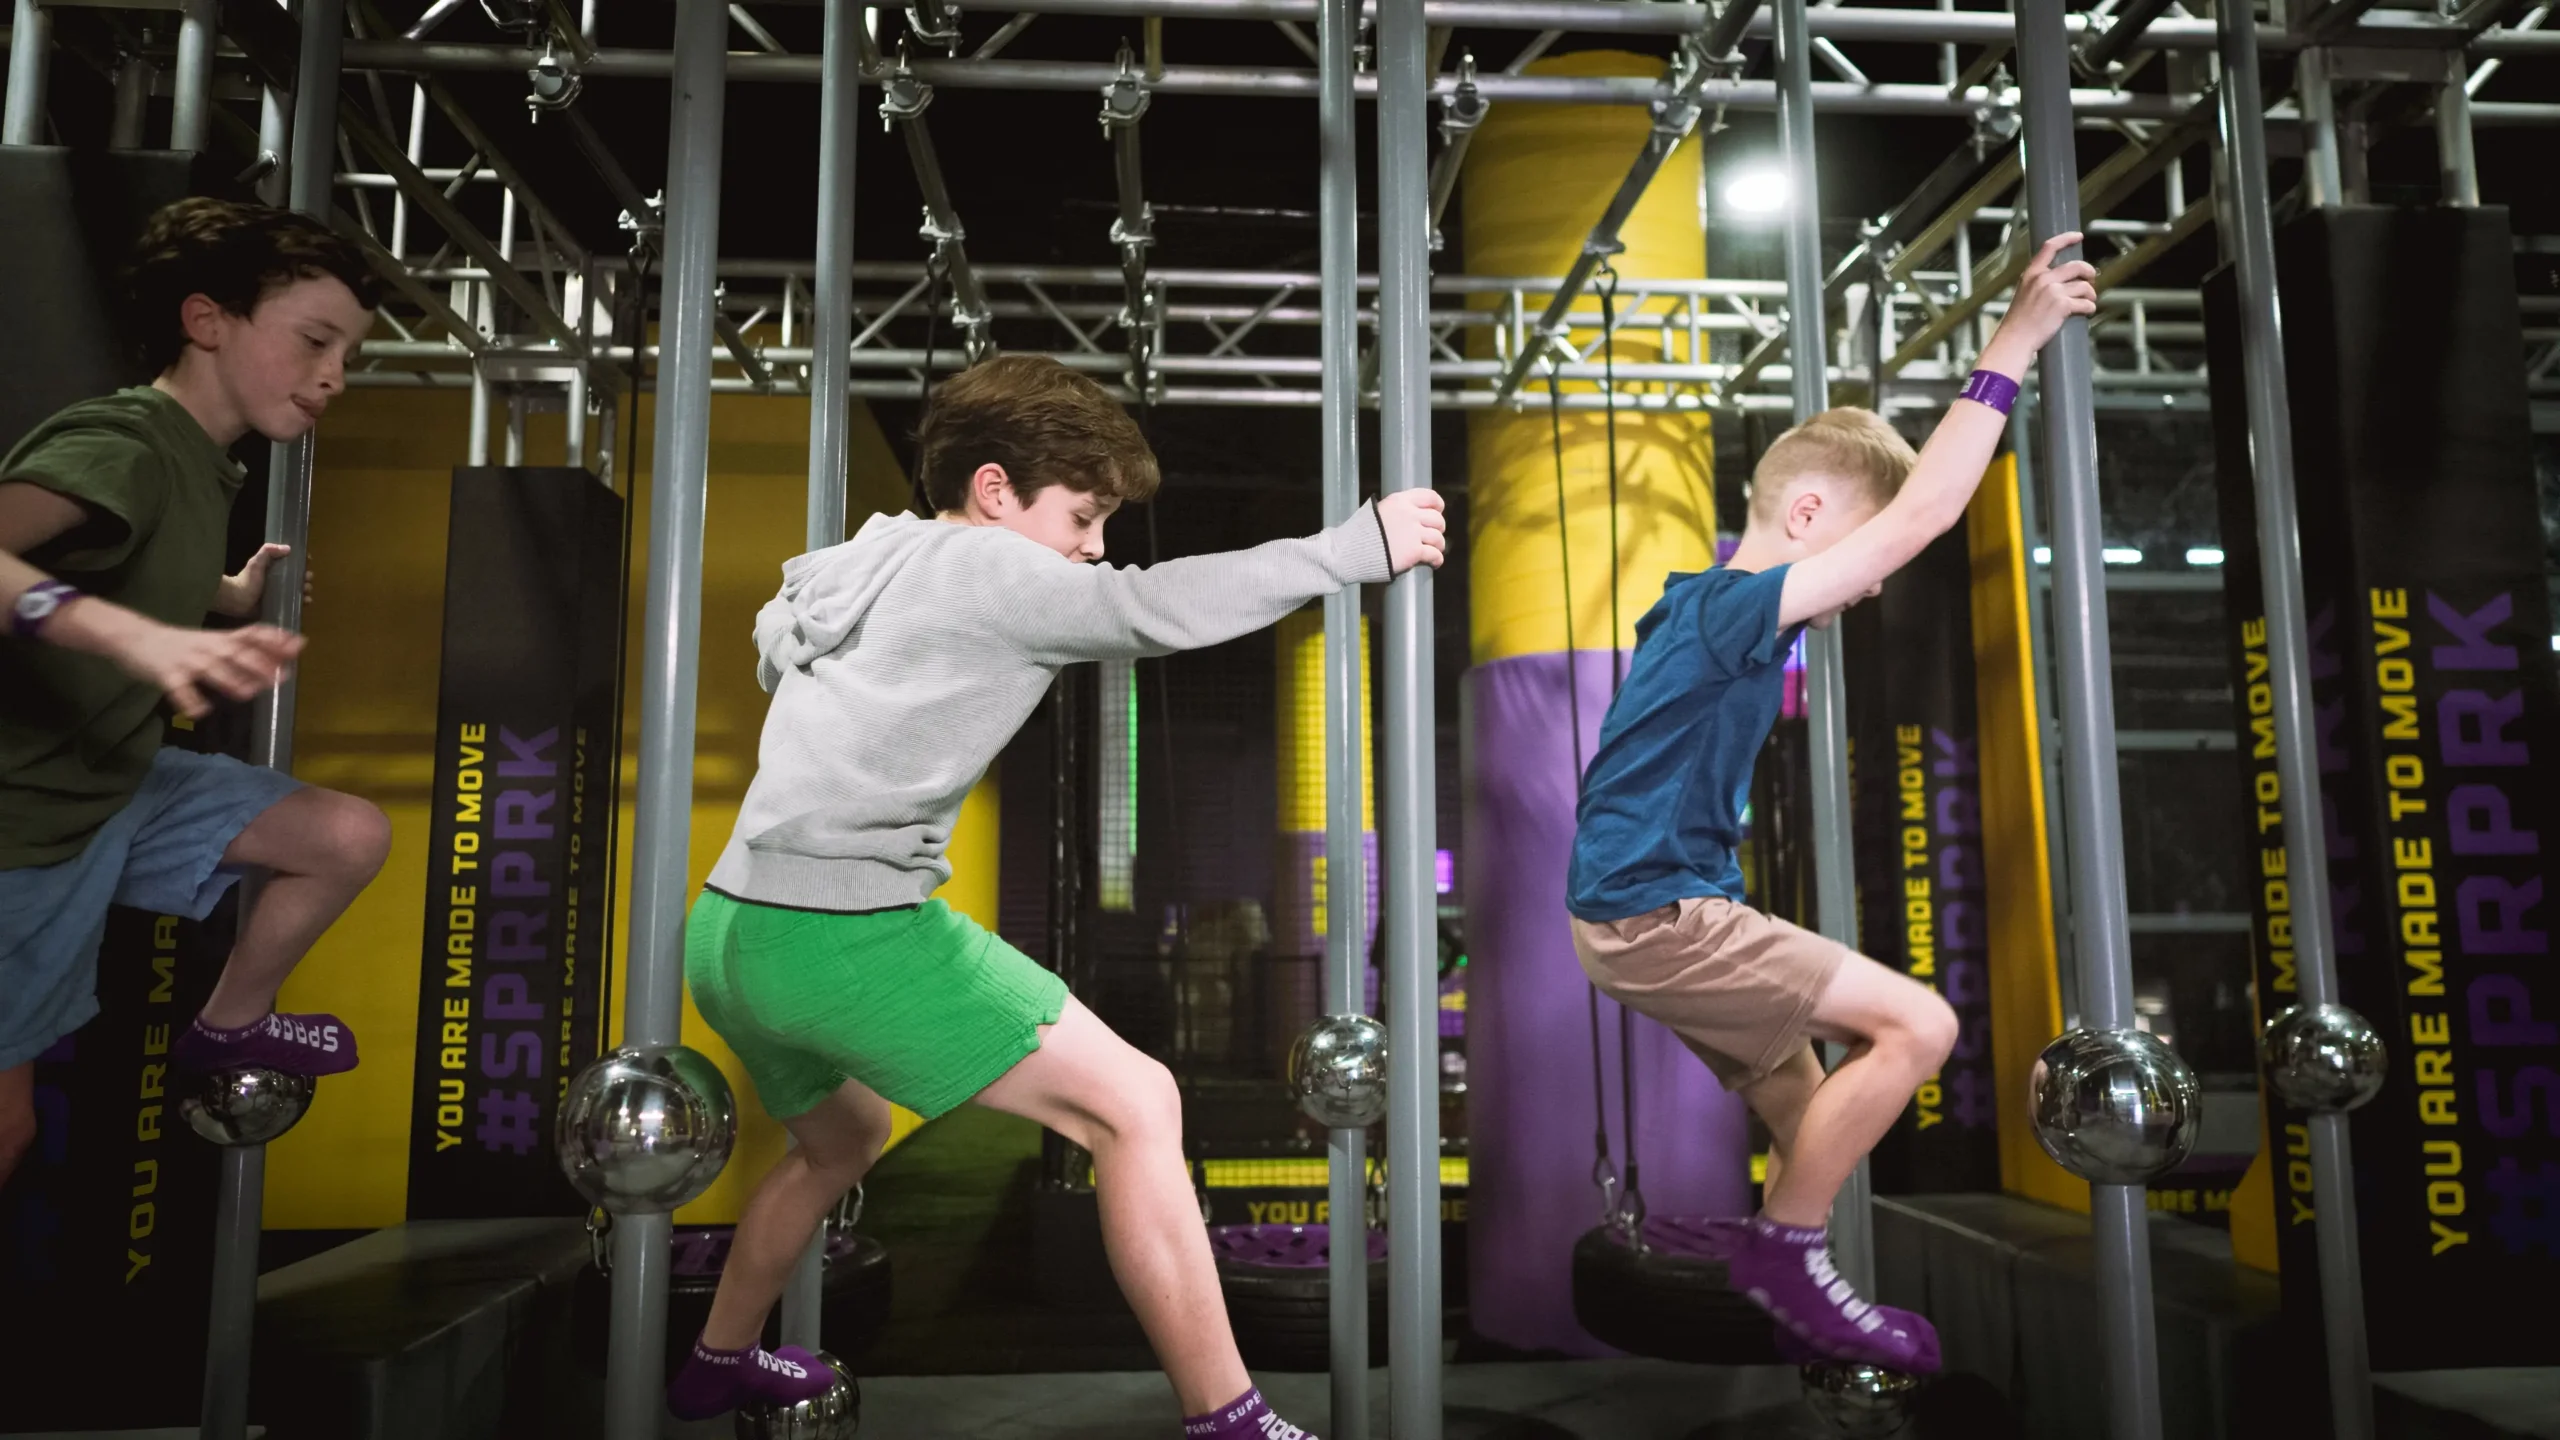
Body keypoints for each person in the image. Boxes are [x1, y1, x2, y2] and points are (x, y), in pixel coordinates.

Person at [671, 354, 1445, 1433]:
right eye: (1080, 515)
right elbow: (1148, 609)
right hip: (842, 930)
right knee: (1138, 1105)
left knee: (837, 1146)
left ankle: (719, 1355)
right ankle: (1227, 1418)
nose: (1093, 545)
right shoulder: (985, 570)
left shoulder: (868, 558)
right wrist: (1354, 549)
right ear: (994, 492)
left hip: (728, 931)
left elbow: (781, 653)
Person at [1563, 232, 2098, 1373]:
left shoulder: (1707, 619)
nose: (1876, 580)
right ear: (1805, 520)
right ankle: (1781, 1253)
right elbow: (1922, 521)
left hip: (1650, 909)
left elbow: (1893, 536)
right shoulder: (1729, 608)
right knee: (1921, 1026)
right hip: (1654, 914)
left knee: (1814, 1120)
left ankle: (1804, 1279)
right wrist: (2017, 339)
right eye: (1860, 552)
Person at [0, 198, 392, 1191]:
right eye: (314, 341)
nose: (334, 375)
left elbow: (119, 557)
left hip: (117, 782)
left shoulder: (201, 462)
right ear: (207, 321)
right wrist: (128, 634)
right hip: (27, 825)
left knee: (343, 836)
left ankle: (229, 1028)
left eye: (348, 352)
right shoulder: (128, 442)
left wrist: (222, 597)